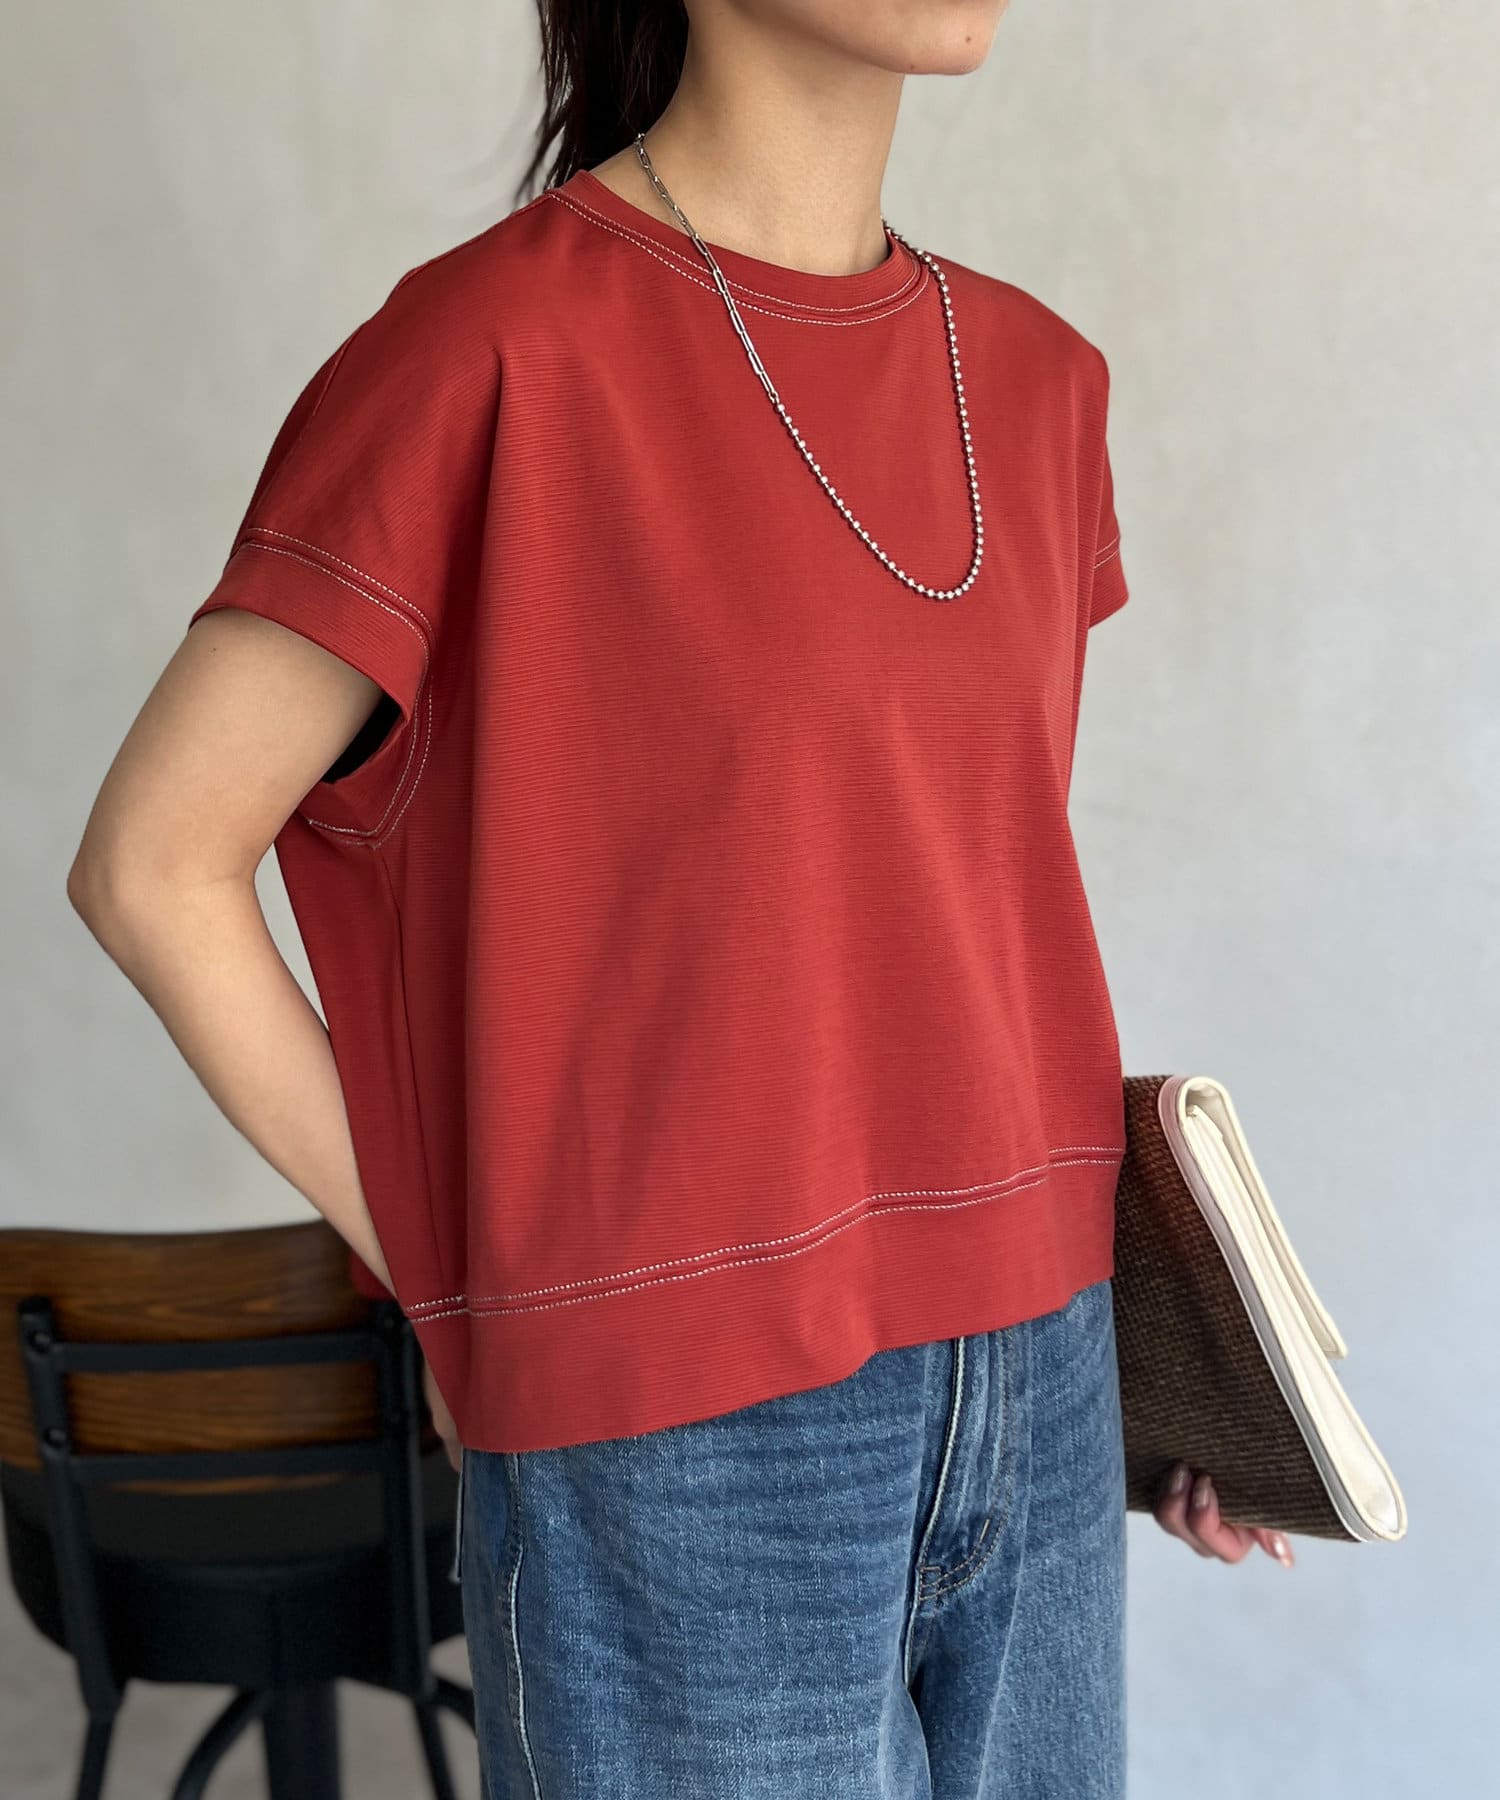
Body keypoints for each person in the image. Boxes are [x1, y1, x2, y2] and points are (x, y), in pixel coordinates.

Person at [66, 2, 1296, 1794]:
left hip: (1047, 1373)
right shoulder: (488, 354)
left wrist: (1175, 1380)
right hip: (684, 1427)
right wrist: (454, 1282)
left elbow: (923, 919)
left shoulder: (1040, 386)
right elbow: (151, 866)